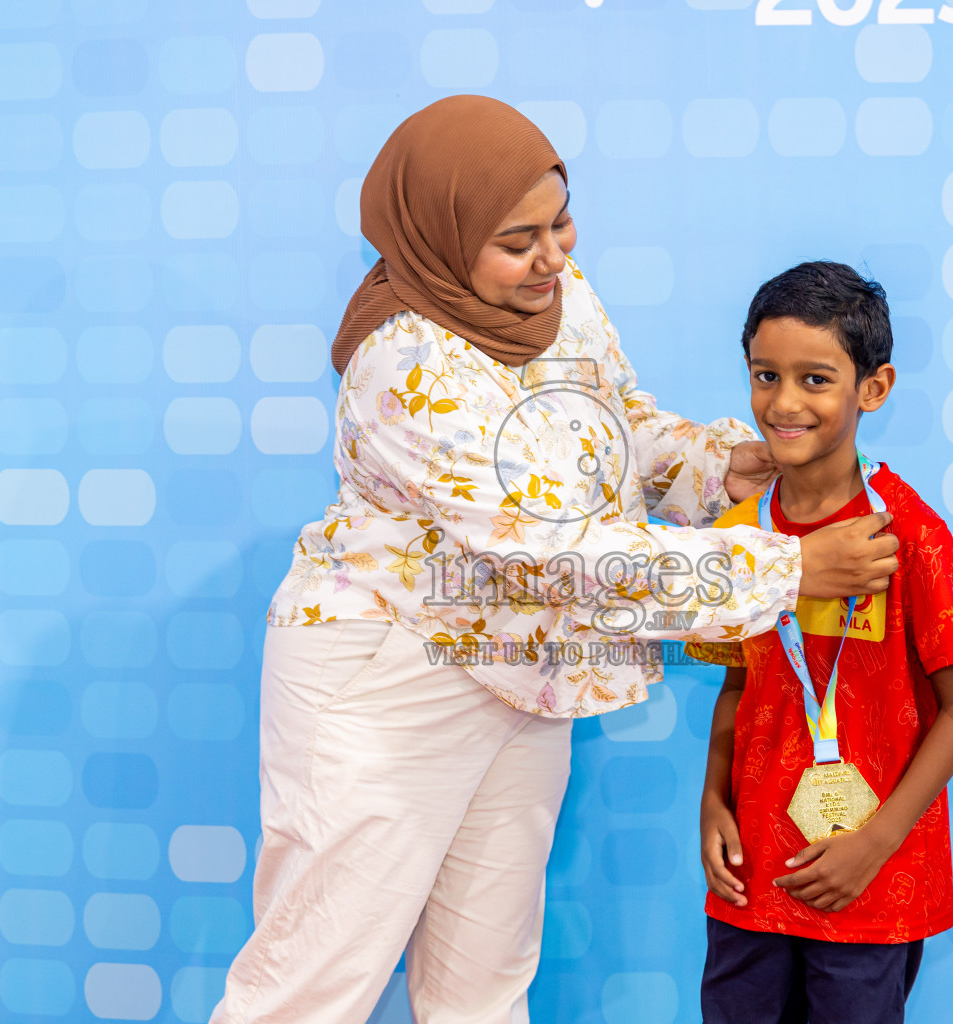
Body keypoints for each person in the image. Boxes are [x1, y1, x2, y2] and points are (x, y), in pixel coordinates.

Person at [209, 99, 903, 1024]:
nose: (551, 256)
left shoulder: (557, 294)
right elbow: (553, 551)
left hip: (525, 670)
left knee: (486, 983)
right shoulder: (404, 365)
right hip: (393, 675)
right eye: (516, 241)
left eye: (560, 223)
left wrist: (714, 466)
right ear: (443, 237)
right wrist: (783, 569)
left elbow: (609, 426)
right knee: (313, 980)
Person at [687, 261, 953, 1024]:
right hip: (753, 873)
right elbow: (737, 685)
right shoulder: (740, 536)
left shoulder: (909, 535)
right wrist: (713, 801)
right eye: (766, 375)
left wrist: (876, 843)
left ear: (872, 388)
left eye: (815, 380)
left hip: (866, 880)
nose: (784, 403)